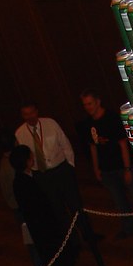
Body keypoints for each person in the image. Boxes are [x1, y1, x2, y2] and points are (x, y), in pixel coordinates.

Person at [9, 144, 89, 266]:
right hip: (47, 234)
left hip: (48, 232)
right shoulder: (23, 184)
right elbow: (39, 211)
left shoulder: (25, 179)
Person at [14, 102, 97, 245]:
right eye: (26, 114)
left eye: (32, 112)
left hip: (61, 170)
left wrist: (70, 166)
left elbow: (65, 144)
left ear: (37, 111)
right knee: (57, 209)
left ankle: (89, 235)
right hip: (42, 175)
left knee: (75, 204)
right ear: (23, 116)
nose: (30, 116)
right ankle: (71, 241)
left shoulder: (50, 124)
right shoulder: (20, 133)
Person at [80, 89, 133, 238]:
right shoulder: (87, 123)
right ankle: (128, 228)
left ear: (98, 102)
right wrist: (96, 169)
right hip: (107, 169)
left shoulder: (112, 118)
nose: (88, 107)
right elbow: (93, 147)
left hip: (121, 166)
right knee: (119, 201)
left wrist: (127, 168)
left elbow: (123, 144)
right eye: (85, 105)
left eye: (90, 103)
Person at [0, 133, 56, 266]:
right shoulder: (13, 169)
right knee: (36, 248)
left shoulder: (7, 165)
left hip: (24, 210)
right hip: (25, 212)